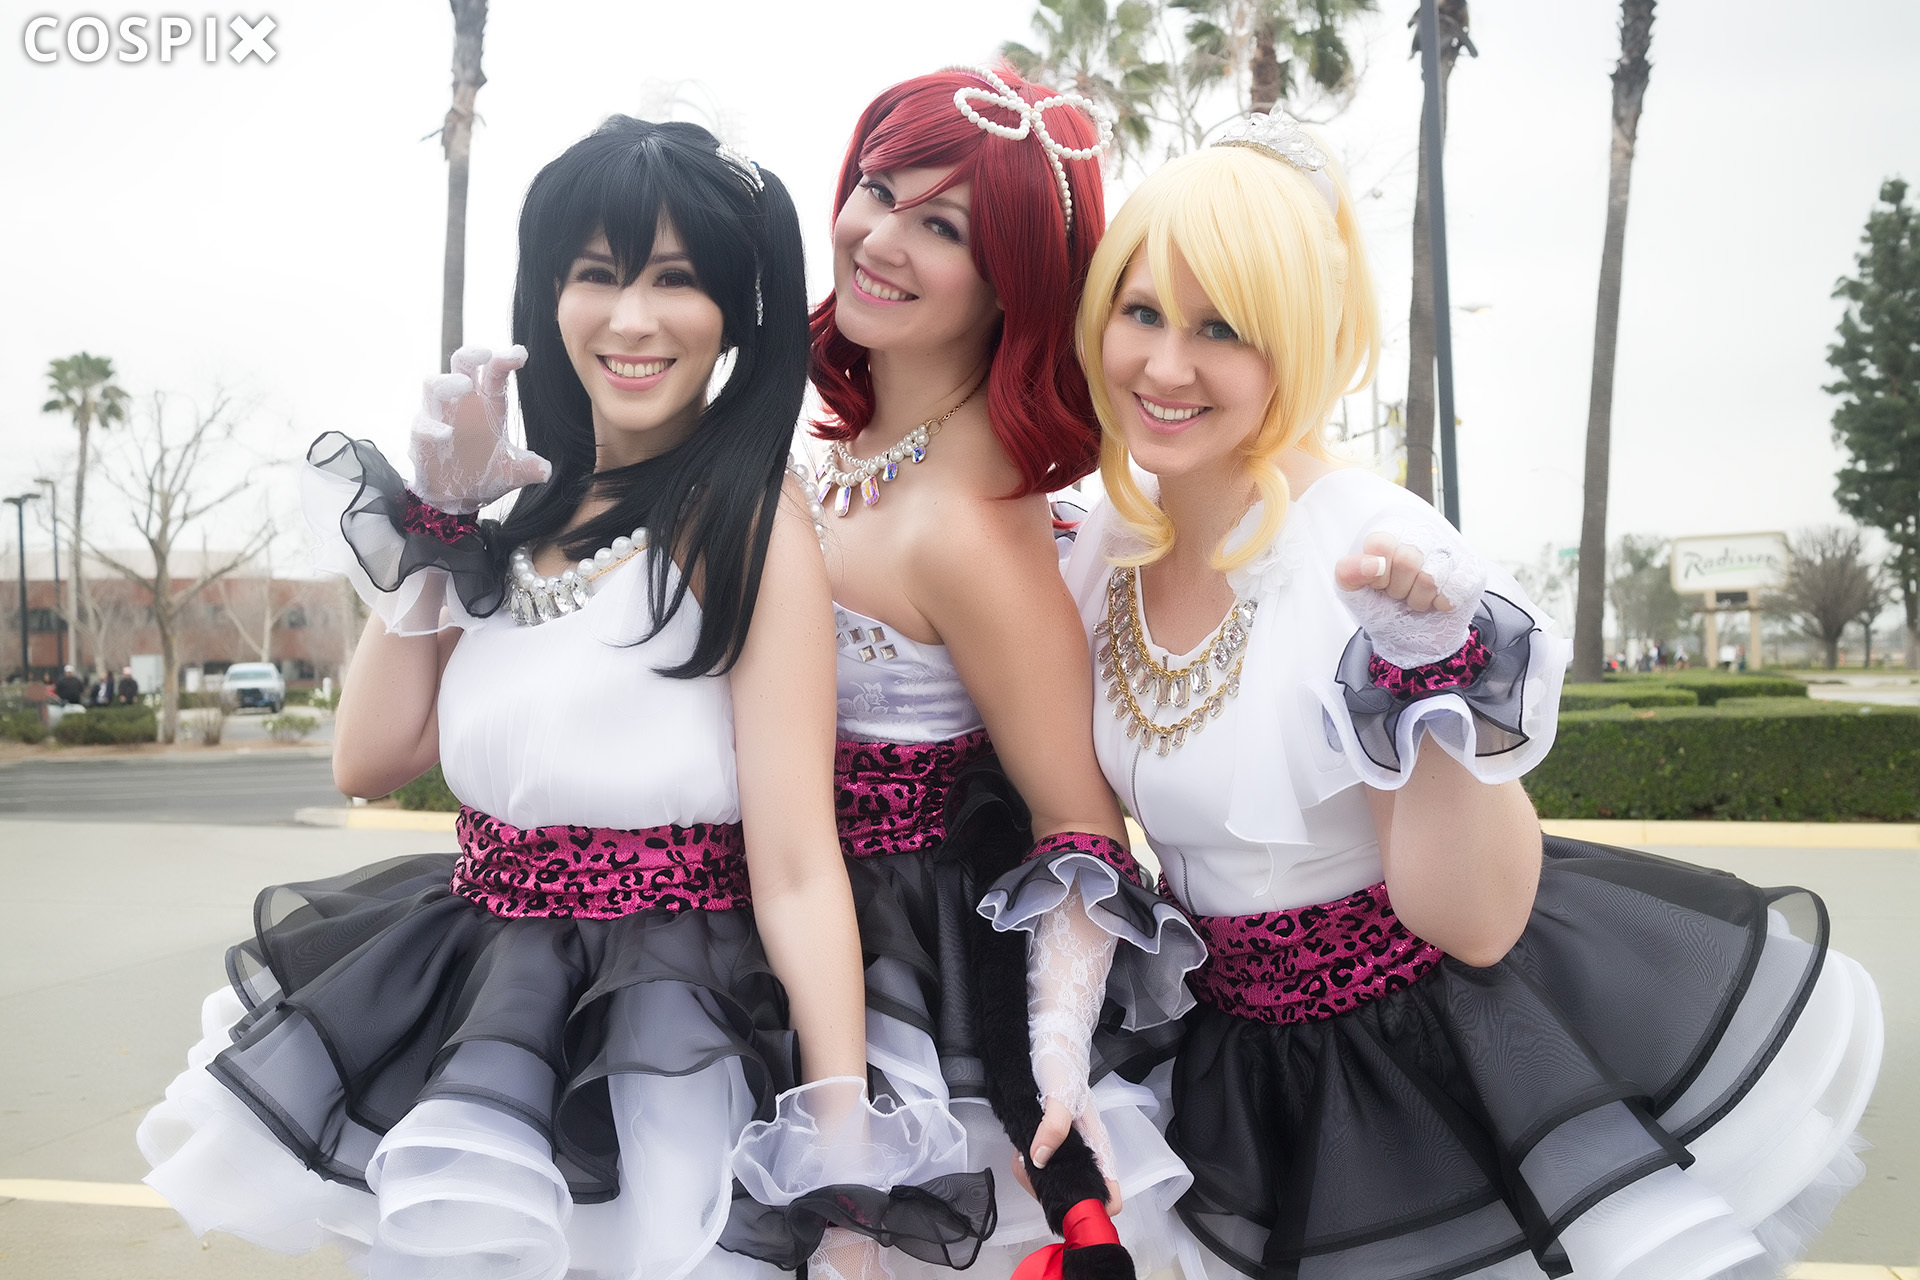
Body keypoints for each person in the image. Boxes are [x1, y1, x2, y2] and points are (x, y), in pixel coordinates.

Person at [138, 117, 989, 1279]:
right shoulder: (513, 515)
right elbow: (370, 757)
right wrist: (440, 516)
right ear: (549, 295)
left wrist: (840, 1162)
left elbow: (797, 862)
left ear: (735, 313)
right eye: (596, 274)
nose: (631, 319)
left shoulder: (749, 520)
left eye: (675, 280)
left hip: (667, 1035)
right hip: (487, 1008)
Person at [1057, 114, 1881, 1280]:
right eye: (1142, 312)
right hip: (1227, 1063)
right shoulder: (1099, 549)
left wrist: (1425, 663)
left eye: (1222, 328)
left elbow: (1479, 918)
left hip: (1423, 1067)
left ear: (1297, 348)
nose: (1166, 365)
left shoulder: (1373, 547)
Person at [806, 66, 1203, 1279]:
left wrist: (1056, 1050)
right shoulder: (851, 454)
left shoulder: (970, 523)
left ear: (1011, 285)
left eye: (943, 227)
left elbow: (1075, 816)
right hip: (772, 939)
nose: (883, 238)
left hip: (911, 1002)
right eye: (880, 191)